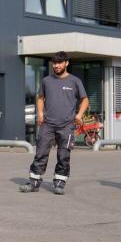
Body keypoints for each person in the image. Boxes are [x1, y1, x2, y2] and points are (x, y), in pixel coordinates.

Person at [18, 51, 88, 195]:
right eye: (54, 63)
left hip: (67, 125)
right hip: (48, 124)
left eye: (59, 63)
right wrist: (41, 113)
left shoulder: (75, 81)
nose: (56, 66)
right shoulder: (46, 81)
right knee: (40, 153)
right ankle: (33, 182)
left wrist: (79, 115)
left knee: (63, 155)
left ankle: (60, 183)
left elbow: (85, 100)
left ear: (66, 63)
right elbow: (40, 98)